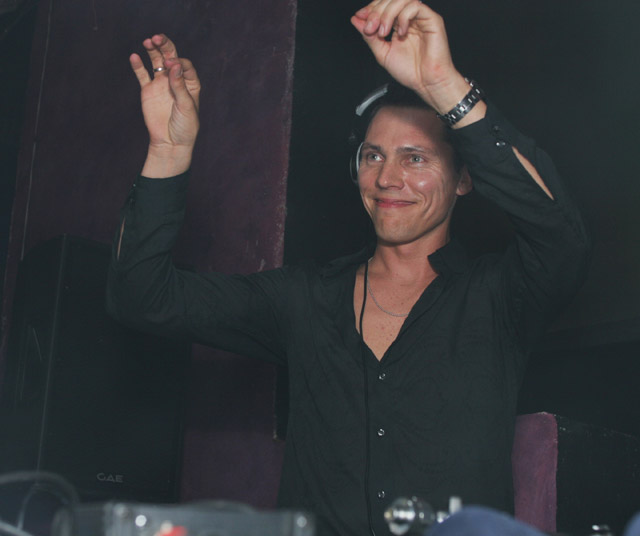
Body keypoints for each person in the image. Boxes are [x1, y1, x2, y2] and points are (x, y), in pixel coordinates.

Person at [107, 1, 590, 535]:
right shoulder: (304, 298)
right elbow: (142, 296)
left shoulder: (500, 296)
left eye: (415, 158)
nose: (387, 178)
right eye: (373, 156)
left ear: (463, 180)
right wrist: (169, 150)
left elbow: (558, 232)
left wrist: (445, 85)